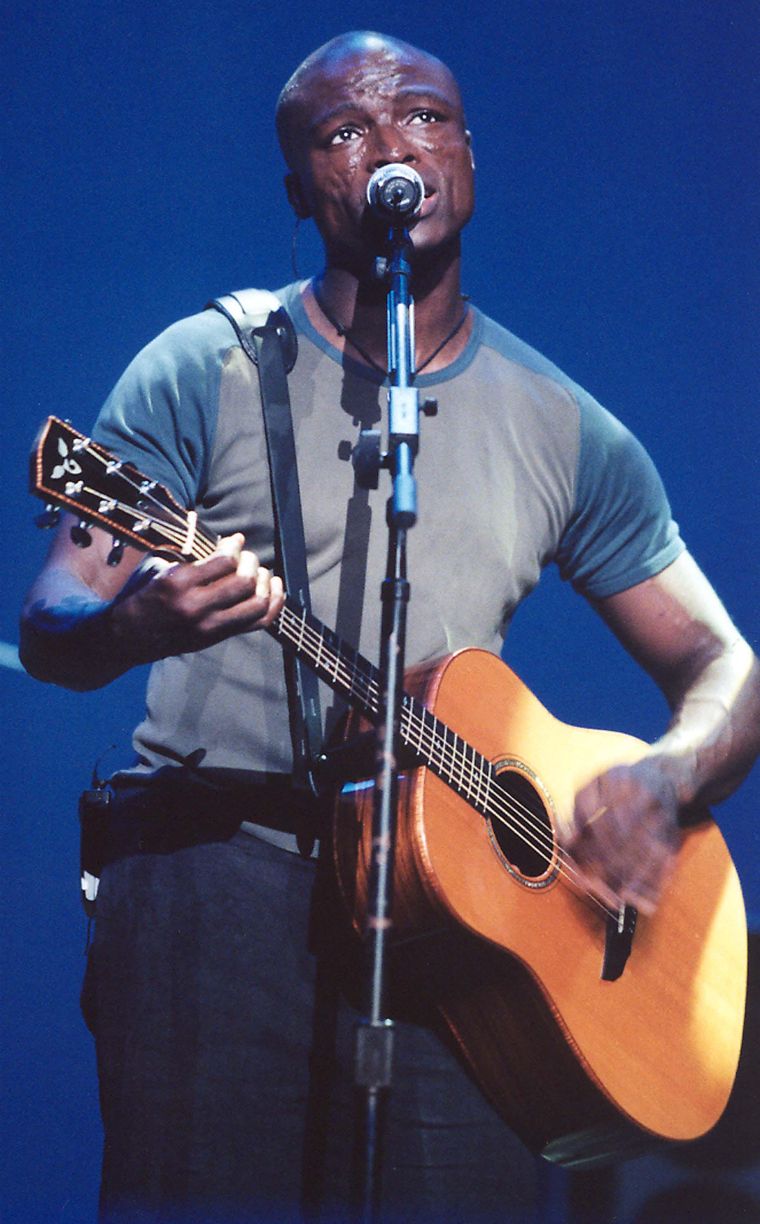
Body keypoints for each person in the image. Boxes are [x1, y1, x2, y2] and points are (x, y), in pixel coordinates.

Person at [20, 29, 760, 1224]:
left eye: (422, 115)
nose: (389, 147)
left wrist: (660, 783)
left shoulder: (563, 425)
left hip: (460, 932)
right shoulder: (207, 366)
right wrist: (140, 624)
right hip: (220, 878)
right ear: (298, 190)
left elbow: (727, 668)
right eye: (343, 131)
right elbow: (57, 620)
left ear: (467, 155)